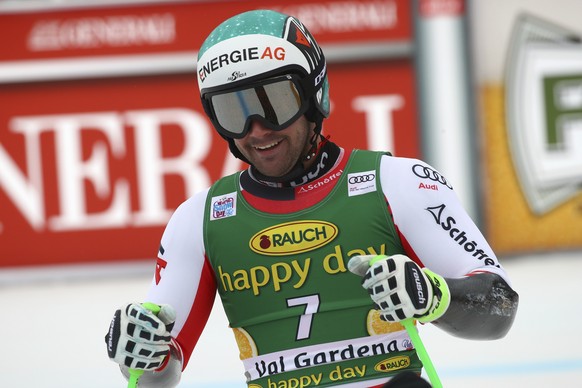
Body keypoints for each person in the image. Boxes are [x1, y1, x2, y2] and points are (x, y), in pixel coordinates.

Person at [105, 9, 519, 388]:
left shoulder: (397, 183)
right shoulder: (199, 219)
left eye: (275, 103)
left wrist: (433, 295)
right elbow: (154, 378)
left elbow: (499, 308)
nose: (257, 129)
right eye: (233, 111)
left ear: (313, 94)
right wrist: (140, 350)